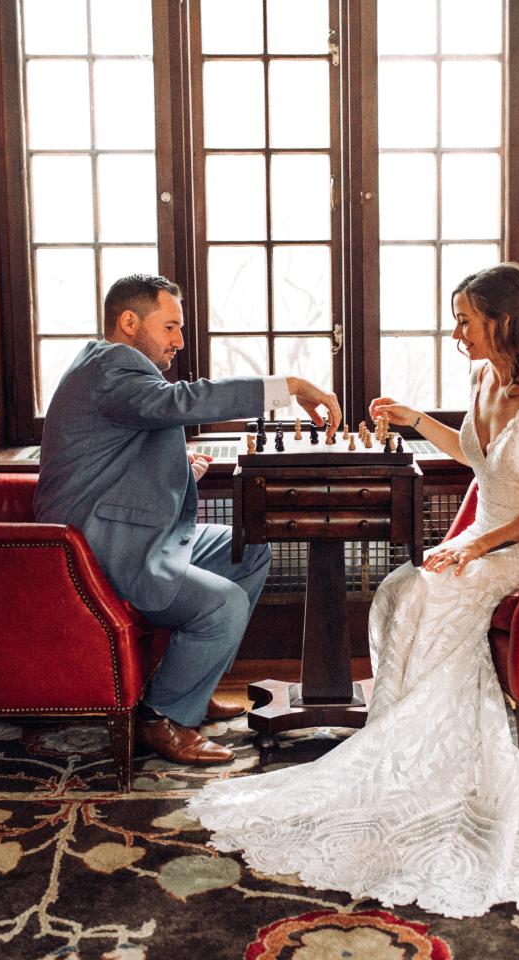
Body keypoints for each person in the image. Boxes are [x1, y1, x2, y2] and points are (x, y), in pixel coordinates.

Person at [186, 263, 519, 918]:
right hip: (480, 541)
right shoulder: (487, 377)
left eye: (465, 320)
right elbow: (474, 454)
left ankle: (442, 773)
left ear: (506, 322)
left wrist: (480, 546)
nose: (456, 331)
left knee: (427, 595)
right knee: (399, 591)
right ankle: (398, 753)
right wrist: (412, 419)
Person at [35, 274, 341, 767]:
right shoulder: (113, 367)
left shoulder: (110, 370)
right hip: (103, 547)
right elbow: (180, 403)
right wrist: (289, 387)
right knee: (222, 606)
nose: (179, 341)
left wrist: (183, 467)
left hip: (133, 531)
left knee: (250, 546)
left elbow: (123, 450)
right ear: (128, 322)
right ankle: (161, 719)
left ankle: (188, 694)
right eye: (171, 327)